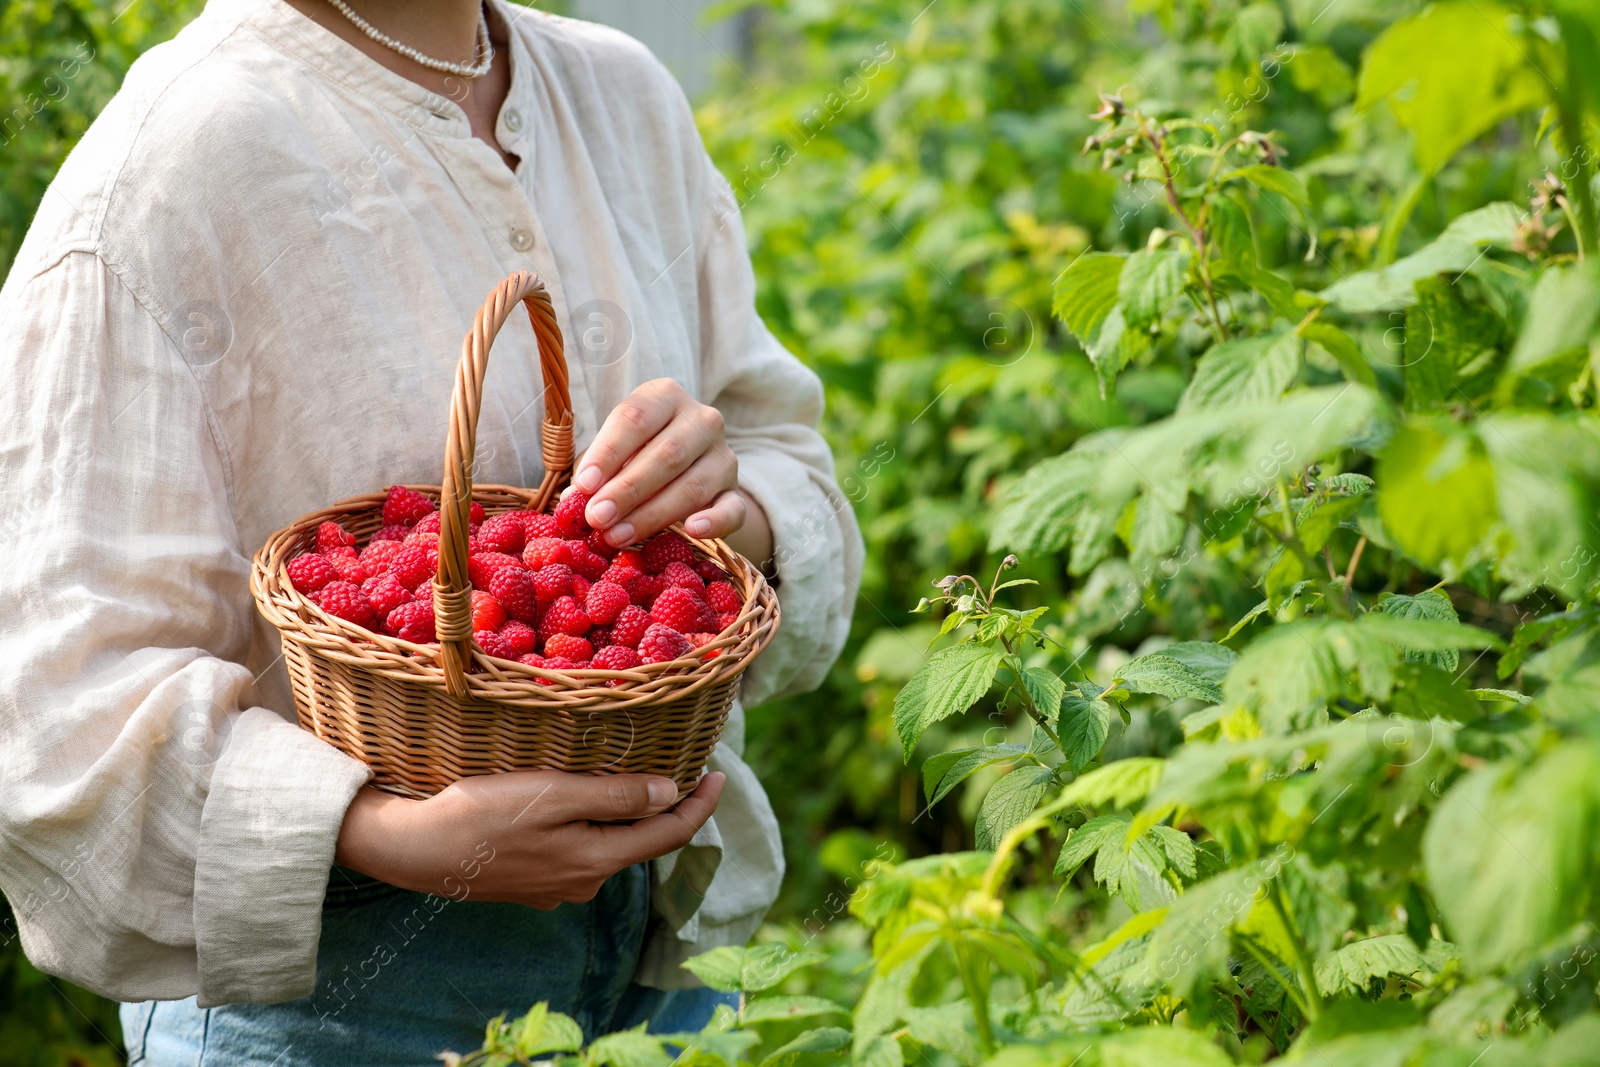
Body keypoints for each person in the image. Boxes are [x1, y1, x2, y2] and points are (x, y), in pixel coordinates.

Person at [0, 0, 862, 1061]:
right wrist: (380, 832)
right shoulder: (166, 170)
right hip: (346, 996)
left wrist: (737, 511)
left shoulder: (622, 94)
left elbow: (780, 442)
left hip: (668, 961)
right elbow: (48, 711)